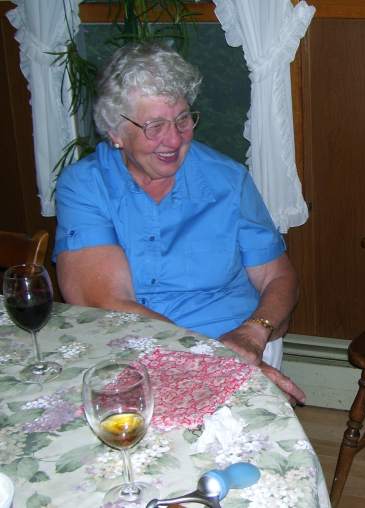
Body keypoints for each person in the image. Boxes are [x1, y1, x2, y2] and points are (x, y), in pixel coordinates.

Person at [53, 41, 305, 405]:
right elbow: (105, 302)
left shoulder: (227, 179)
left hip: (238, 339)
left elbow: (277, 276)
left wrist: (254, 331)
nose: (173, 139)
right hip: (132, 347)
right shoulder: (86, 185)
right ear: (115, 132)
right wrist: (210, 359)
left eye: (183, 119)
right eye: (154, 126)